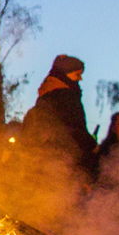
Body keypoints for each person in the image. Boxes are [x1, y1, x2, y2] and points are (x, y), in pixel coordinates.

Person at [19, 53, 96, 183]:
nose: (80, 79)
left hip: (41, 167)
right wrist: (92, 147)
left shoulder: (44, 99)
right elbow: (74, 130)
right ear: (65, 74)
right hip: (66, 165)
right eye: (77, 74)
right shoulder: (66, 98)